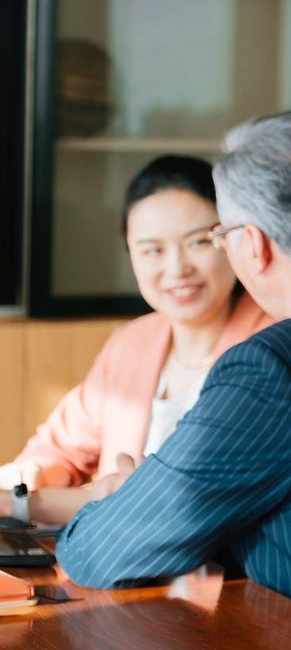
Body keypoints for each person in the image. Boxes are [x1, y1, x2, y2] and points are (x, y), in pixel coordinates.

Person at [54, 112, 291, 624]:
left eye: (214, 236)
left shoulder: (269, 366)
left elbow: (97, 554)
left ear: (255, 244)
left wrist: (125, 499)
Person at [2, 155, 270, 521]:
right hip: (126, 568)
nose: (177, 269)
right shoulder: (132, 343)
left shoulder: (272, 340)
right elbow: (60, 449)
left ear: (232, 237)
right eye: (152, 250)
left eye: (197, 242)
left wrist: (23, 504)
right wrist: (19, 483)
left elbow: (183, 497)